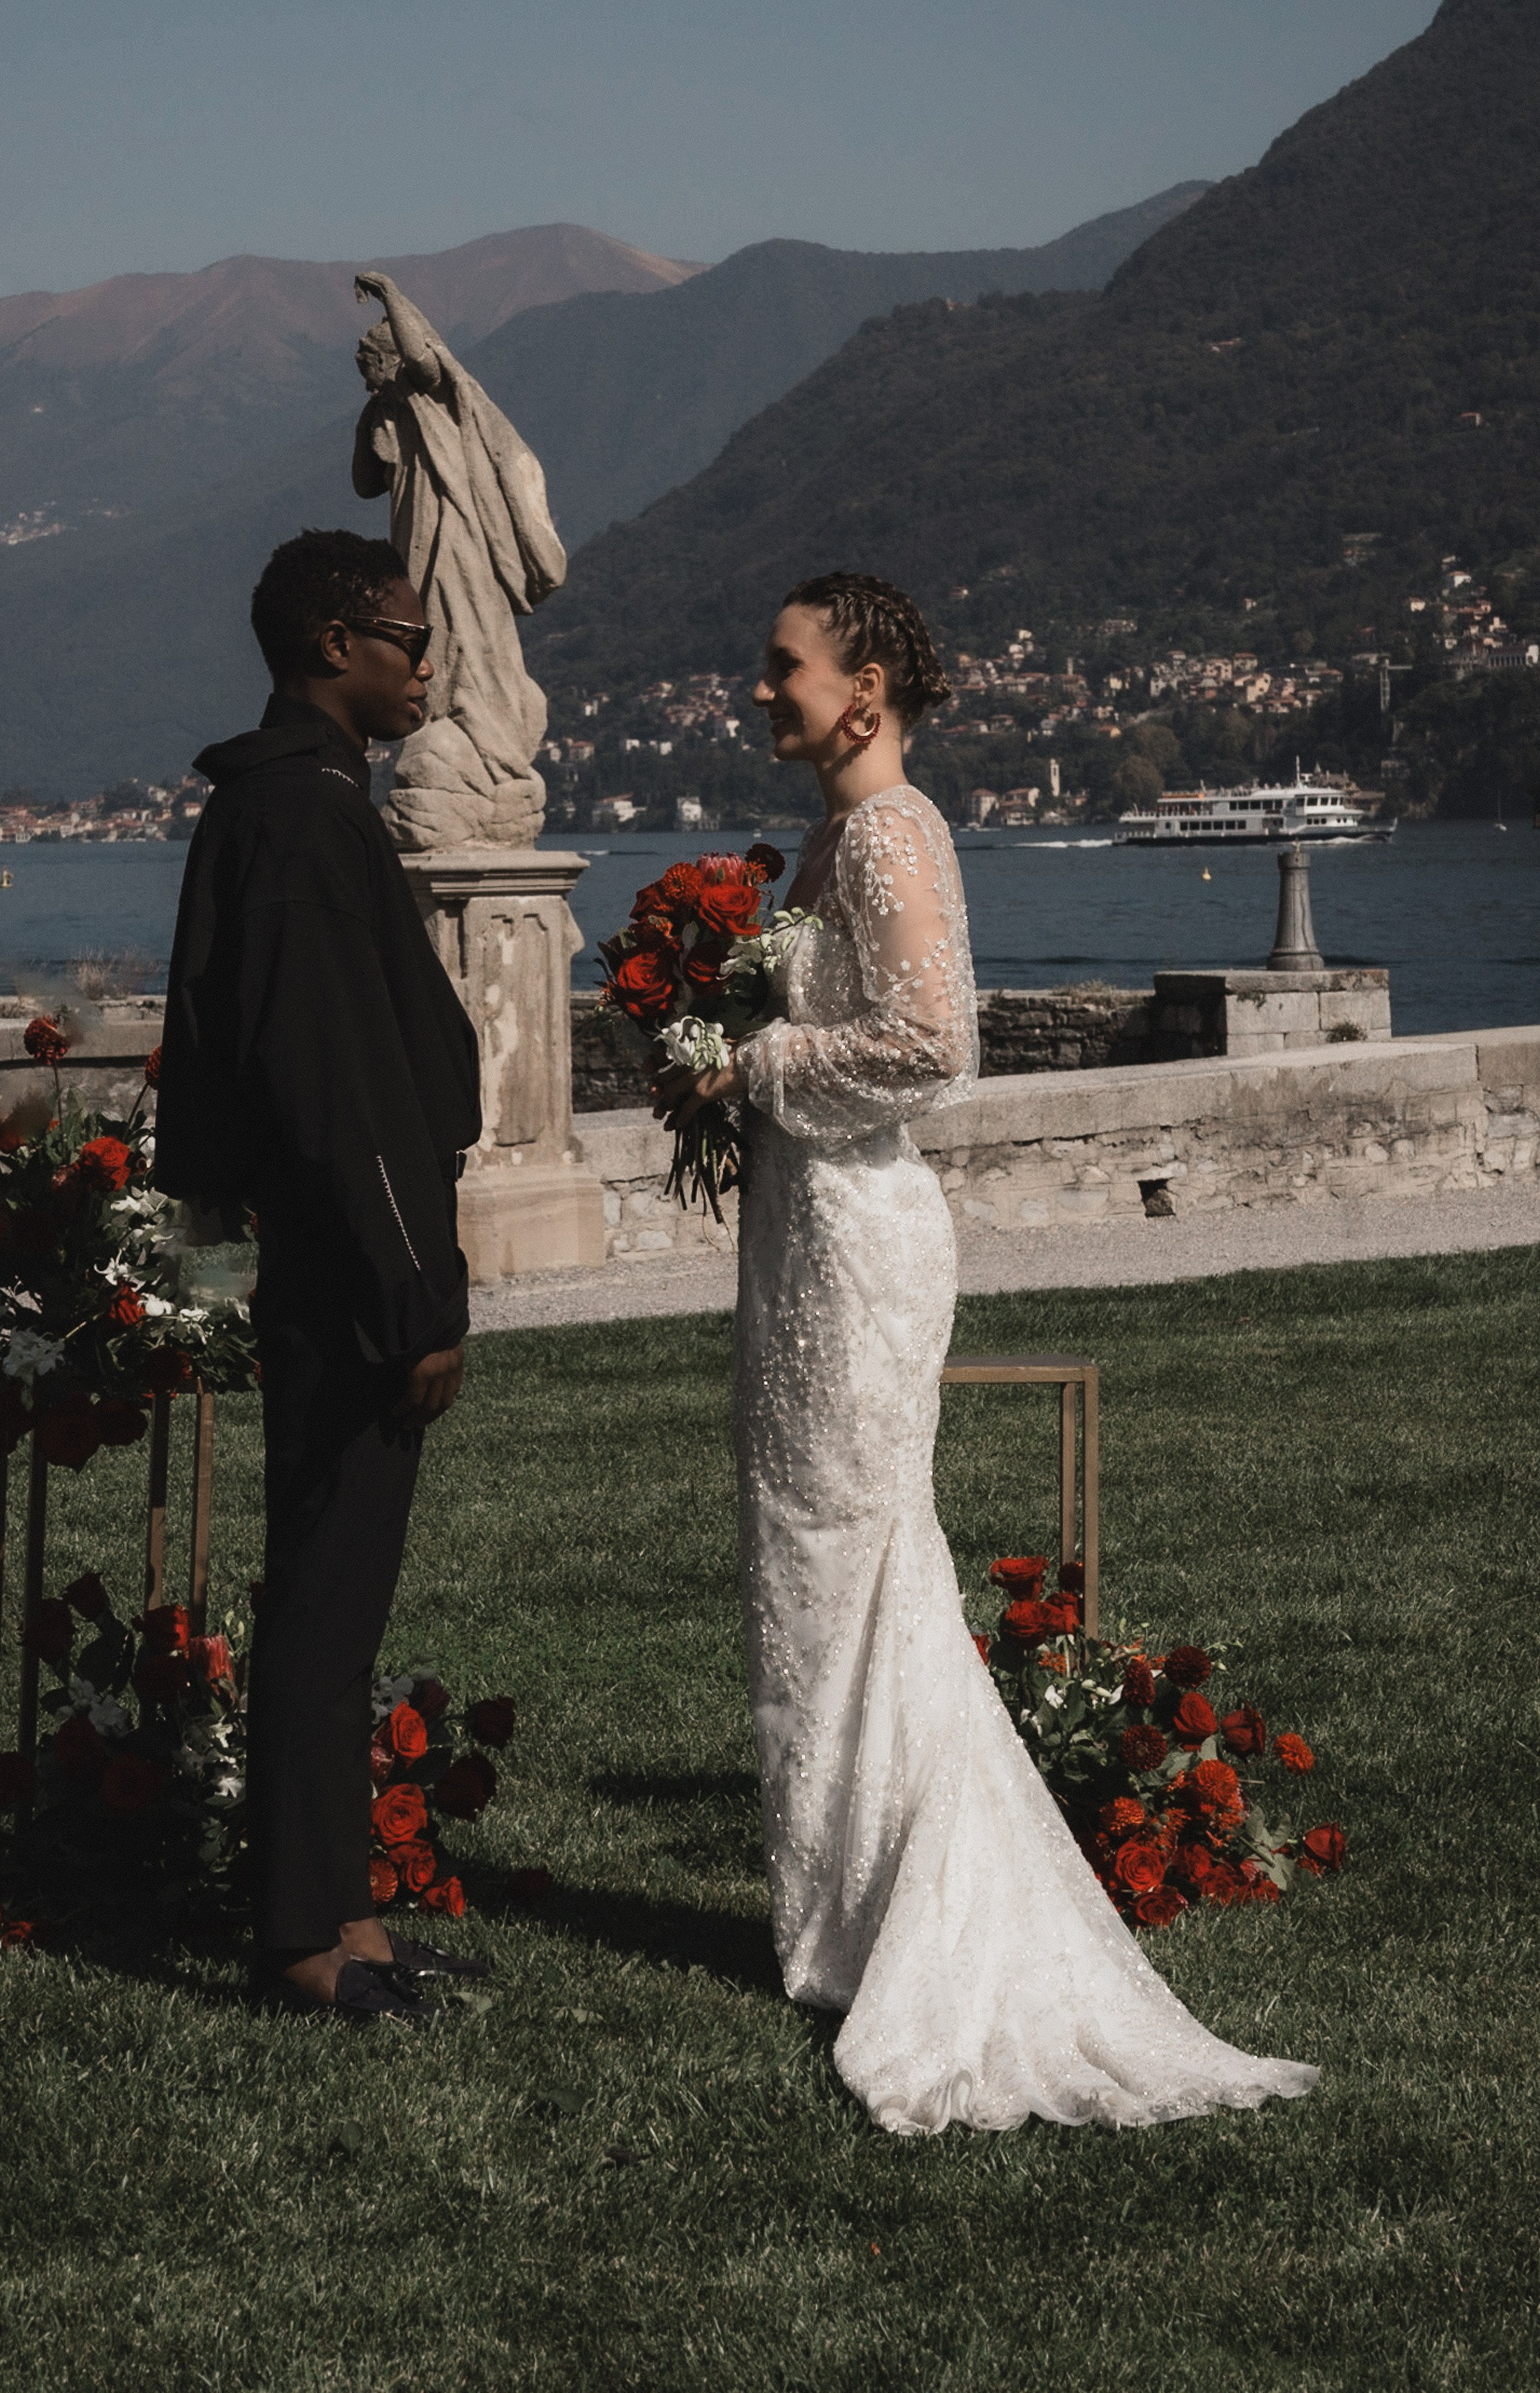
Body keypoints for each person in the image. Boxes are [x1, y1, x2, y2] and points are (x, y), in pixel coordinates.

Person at [664, 571, 1318, 2132]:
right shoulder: (826, 840)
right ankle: (841, 1914)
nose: (759, 692)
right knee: (810, 1569)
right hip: (800, 1234)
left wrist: (747, 1057)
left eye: (783, 669)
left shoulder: (892, 830)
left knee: (867, 1559)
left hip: (862, 1236)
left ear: (863, 687)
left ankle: (923, 1922)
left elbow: (931, 1043)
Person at [155, 529, 487, 2025]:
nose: (428, 665)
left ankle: (342, 1910)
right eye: (411, 641)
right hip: (353, 1277)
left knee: (339, 1604)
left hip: (332, 1262)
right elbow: (334, 1091)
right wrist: (415, 1294)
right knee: (320, 1602)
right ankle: (299, 1934)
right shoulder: (303, 823)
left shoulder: (286, 808)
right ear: (336, 644)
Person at [350, 269, 568, 852]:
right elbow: (364, 482)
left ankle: (487, 749)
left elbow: (423, 360)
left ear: (391, 356)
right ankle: (455, 737)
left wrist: (392, 295)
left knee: (465, 637)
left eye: (370, 364)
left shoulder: (437, 392)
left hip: (460, 542)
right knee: (429, 640)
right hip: (413, 546)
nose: (365, 376)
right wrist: (372, 413)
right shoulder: (391, 412)